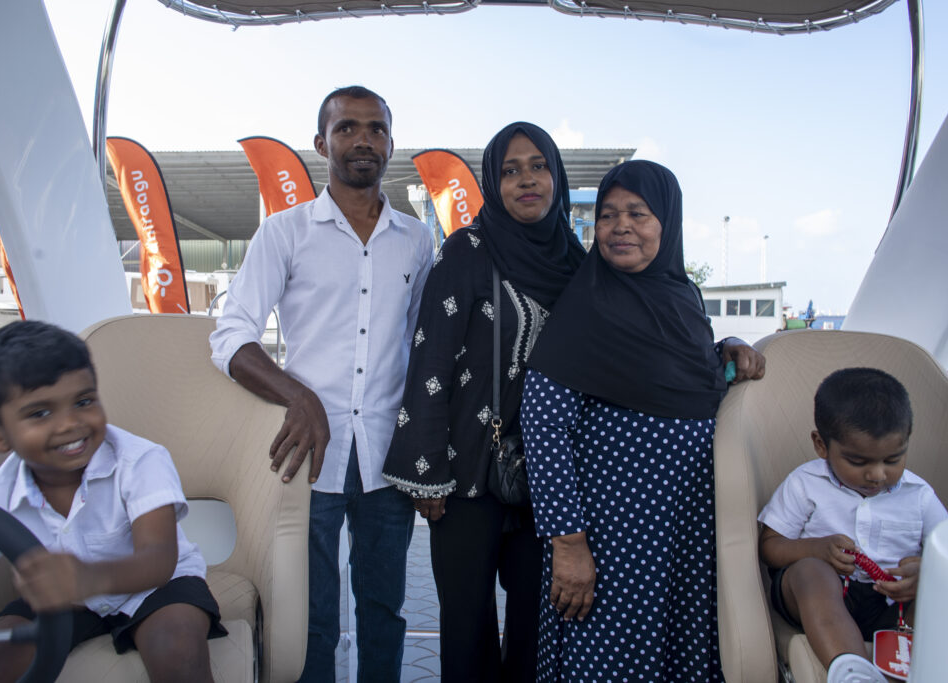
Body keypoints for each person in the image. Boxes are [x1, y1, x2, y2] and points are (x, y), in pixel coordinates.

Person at [209, 85, 434, 682]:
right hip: (306, 453)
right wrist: (298, 394)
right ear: (320, 143)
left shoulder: (417, 239)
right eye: (346, 128)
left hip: (388, 454)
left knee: (385, 609)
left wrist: (428, 454)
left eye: (376, 129)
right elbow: (230, 335)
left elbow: (422, 348)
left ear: (390, 142)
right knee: (308, 615)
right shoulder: (285, 232)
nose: (363, 139)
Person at [521, 160, 765, 681]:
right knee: (609, 660)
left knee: (682, 656)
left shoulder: (684, 298)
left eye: (638, 213)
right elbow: (543, 426)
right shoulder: (588, 307)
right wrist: (568, 545)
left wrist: (728, 347)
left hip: (686, 533)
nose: (621, 226)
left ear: (668, 224)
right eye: (608, 215)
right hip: (612, 542)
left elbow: (680, 375)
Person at [382, 121, 585, 682]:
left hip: (546, 481)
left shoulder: (577, 264)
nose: (526, 180)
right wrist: (427, 472)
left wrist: (724, 348)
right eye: (510, 170)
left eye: (538, 166)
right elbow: (430, 362)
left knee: (537, 626)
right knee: (466, 628)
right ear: (493, 184)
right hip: (466, 475)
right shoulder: (467, 250)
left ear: (556, 177)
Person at [0, 320, 225, 683]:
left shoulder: (141, 459)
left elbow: (159, 560)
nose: (70, 424)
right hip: (60, 600)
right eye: (40, 413)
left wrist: (85, 578)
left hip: (155, 587)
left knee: (177, 645)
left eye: (83, 401)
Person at [758, 367, 948, 683]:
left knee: (936, 584)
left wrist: (926, 573)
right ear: (821, 445)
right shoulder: (805, 484)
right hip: (813, 599)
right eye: (858, 462)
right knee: (811, 572)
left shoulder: (920, 496)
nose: (877, 475)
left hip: (890, 609)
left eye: (892, 460)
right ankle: (851, 670)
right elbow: (769, 546)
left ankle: (901, 671)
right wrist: (814, 549)